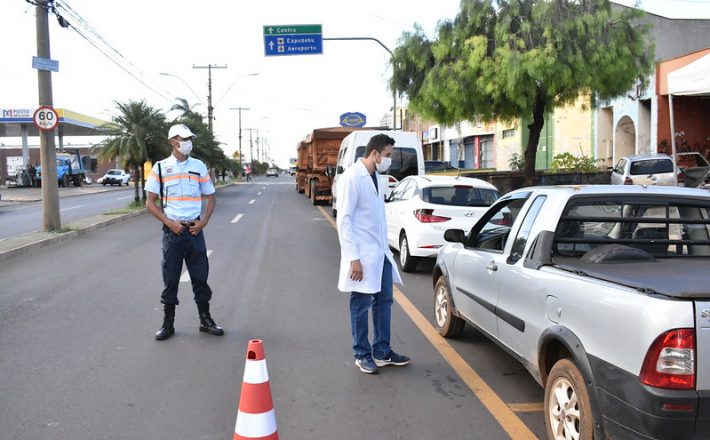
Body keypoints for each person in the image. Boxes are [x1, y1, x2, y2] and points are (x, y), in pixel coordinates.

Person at [336, 133, 411, 374]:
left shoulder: (377, 178)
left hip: (380, 253)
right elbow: (344, 220)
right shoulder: (352, 178)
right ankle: (362, 353)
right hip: (361, 255)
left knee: (384, 302)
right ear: (375, 153)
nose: (389, 160)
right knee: (361, 304)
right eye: (387, 155)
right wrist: (353, 258)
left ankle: (381, 351)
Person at [144, 124, 223, 341]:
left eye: (189, 138)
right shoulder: (160, 168)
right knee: (170, 278)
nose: (188, 142)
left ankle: (205, 320)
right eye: (183, 138)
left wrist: (204, 221)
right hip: (173, 233)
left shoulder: (198, 166)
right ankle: (168, 324)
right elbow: (150, 203)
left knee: (200, 277)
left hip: (195, 231)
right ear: (173, 142)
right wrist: (169, 223)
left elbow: (211, 196)